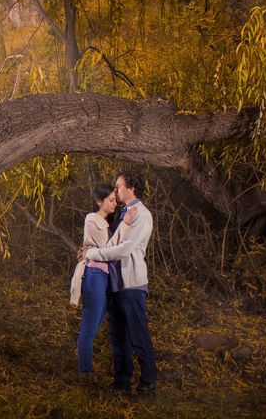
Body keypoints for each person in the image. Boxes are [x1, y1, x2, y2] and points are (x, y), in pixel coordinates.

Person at [78, 171, 157, 398]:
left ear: (130, 187)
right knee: (118, 337)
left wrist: (91, 252)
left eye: (118, 185)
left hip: (132, 284)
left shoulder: (142, 214)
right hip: (116, 285)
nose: (115, 189)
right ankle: (122, 382)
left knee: (138, 337)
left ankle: (148, 386)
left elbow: (124, 250)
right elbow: (113, 242)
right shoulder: (124, 214)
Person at [77, 184, 136, 392]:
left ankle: (89, 377)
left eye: (114, 199)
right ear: (99, 201)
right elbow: (109, 249)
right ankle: (86, 379)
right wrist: (125, 226)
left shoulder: (104, 223)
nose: (114, 203)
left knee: (93, 327)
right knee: (88, 329)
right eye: (110, 200)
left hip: (103, 277)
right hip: (94, 275)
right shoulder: (93, 219)